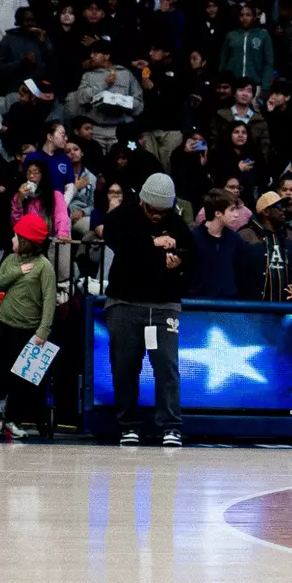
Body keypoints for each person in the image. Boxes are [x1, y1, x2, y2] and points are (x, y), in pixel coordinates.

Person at [104, 172, 190, 447]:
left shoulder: (174, 220)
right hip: (124, 301)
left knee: (167, 366)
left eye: (162, 212)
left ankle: (171, 426)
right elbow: (115, 239)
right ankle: (128, 424)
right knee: (124, 366)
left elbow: (192, 250)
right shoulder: (123, 215)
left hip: (164, 304)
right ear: (143, 202)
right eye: (153, 211)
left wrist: (180, 260)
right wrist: (151, 243)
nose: (157, 217)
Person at [0, 215, 57, 440]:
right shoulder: (10, 260)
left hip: (28, 331)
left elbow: (49, 300)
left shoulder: (44, 267)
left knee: (21, 378)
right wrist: (18, 271)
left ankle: (13, 421)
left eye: (16, 236)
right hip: (4, 326)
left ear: (26, 241)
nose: (12, 239)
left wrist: (43, 331)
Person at [188, 188, 248, 300]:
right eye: (232, 210)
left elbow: (241, 274)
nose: (236, 215)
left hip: (229, 306)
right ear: (218, 213)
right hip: (197, 305)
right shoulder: (192, 238)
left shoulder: (236, 240)